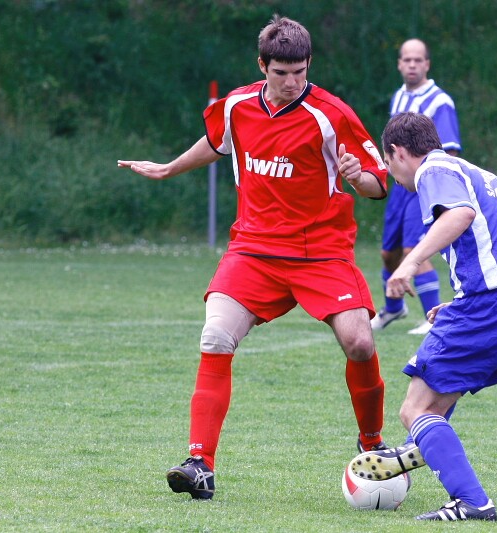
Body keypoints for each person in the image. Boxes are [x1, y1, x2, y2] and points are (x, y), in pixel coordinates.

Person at [118, 15, 390, 500]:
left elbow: (376, 183)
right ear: (262, 65)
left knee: (360, 344)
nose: (291, 82)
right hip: (254, 250)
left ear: (309, 64)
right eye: (281, 72)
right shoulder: (238, 105)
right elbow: (217, 143)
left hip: (320, 252)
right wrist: (169, 168)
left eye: (300, 72)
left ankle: (372, 443)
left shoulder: (332, 115)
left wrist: (357, 177)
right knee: (215, 335)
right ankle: (200, 464)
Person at [350, 112, 497, 521]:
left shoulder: (433, 170)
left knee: (415, 409)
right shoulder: (480, 175)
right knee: (436, 400)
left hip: (496, 305)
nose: (392, 175)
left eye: (388, 163)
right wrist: (462, 303)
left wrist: (410, 263)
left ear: (398, 152)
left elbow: (460, 216)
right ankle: (420, 446)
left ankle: (471, 500)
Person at [371, 38, 462, 336]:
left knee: (414, 249)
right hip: (400, 187)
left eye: (417, 60)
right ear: (399, 64)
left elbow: (449, 150)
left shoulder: (440, 101)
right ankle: (393, 307)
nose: (412, 65)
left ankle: (433, 318)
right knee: (389, 253)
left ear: (427, 64)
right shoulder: (399, 97)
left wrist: (437, 191)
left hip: (422, 188)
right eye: (407, 60)